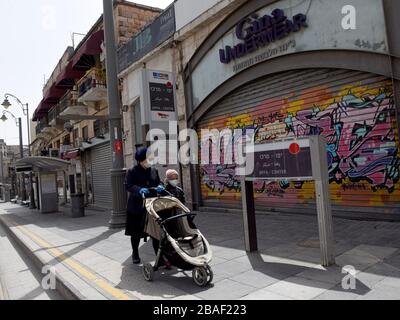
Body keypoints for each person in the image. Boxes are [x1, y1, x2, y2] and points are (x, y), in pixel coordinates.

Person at [125, 147, 165, 264]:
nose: (150, 161)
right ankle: (135, 253)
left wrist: (161, 186)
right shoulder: (132, 171)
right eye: (148, 159)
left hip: (152, 206)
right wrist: (139, 189)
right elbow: (128, 185)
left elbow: (159, 182)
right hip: (137, 207)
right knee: (136, 233)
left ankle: (159, 257)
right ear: (141, 160)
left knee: (156, 232)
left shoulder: (154, 171)